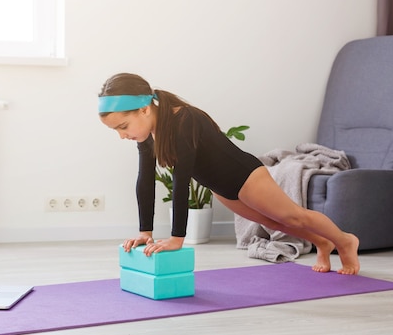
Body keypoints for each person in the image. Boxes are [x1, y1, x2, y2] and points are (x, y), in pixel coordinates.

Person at [98, 73, 360, 275]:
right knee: (276, 224)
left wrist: (178, 238)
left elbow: (181, 181)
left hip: (245, 176)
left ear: (144, 109)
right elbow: (145, 180)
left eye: (123, 126)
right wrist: (145, 231)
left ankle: (345, 240)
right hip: (221, 186)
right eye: (116, 131)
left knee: (294, 216)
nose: (122, 135)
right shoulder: (148, 135)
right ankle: (322, 243)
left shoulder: (183, 119)